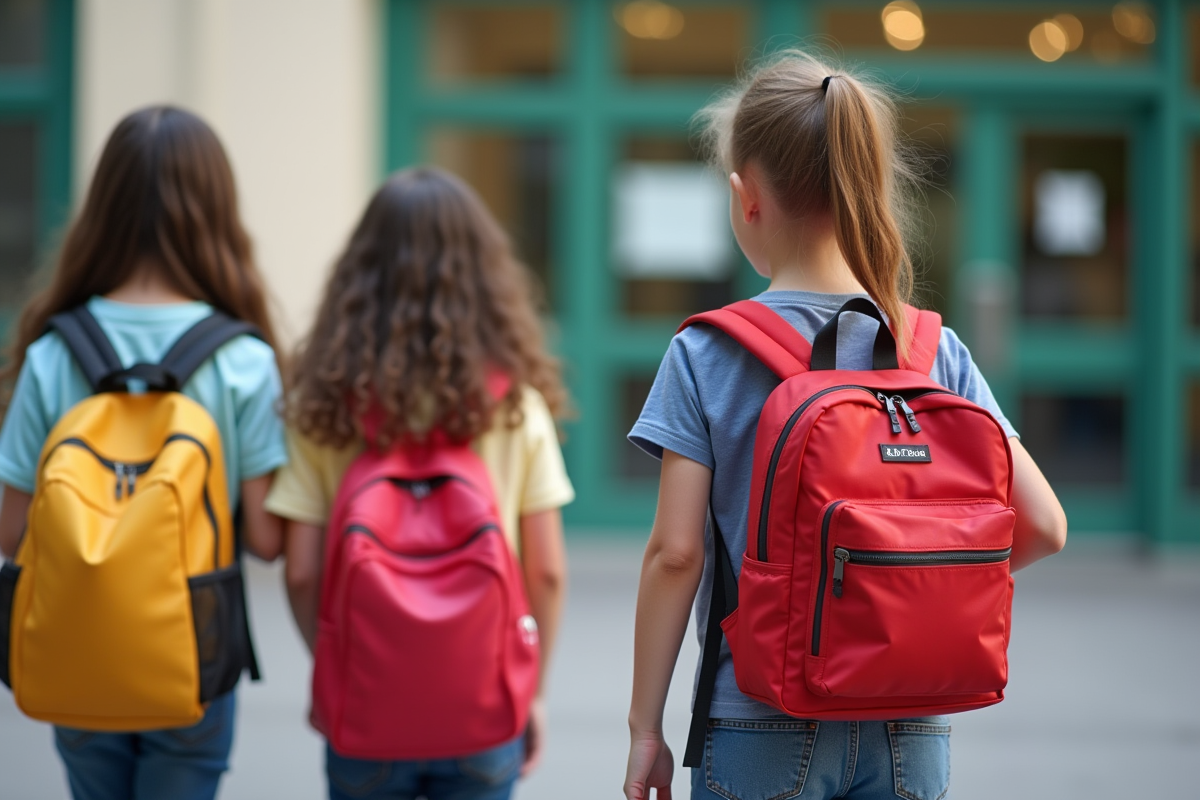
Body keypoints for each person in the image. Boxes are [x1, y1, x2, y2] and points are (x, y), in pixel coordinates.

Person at [622, 51, 1068, 800]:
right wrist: (902, 595)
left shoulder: (705, 350)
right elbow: (1045, 525)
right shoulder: (932, 350)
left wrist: (644, 728)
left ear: (746, 198)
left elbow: (675, 555)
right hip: (912, 725)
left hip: (759, 714)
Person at [0, 106, 286, 800]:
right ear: (217, 210)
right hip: (191, 647)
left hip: (77, 646)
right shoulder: (243, 361)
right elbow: (271, 542)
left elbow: (11, 530)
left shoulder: (51, 352)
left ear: (102, 208)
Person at [266, 166, 573, 800]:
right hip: (483, 711)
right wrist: (532, 690)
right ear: (485, 279)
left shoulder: (323, 406)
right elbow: (545, 573)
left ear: (359, 273)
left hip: (368, 714)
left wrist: (341, 663)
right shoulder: (513, 403)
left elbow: (300, 573)